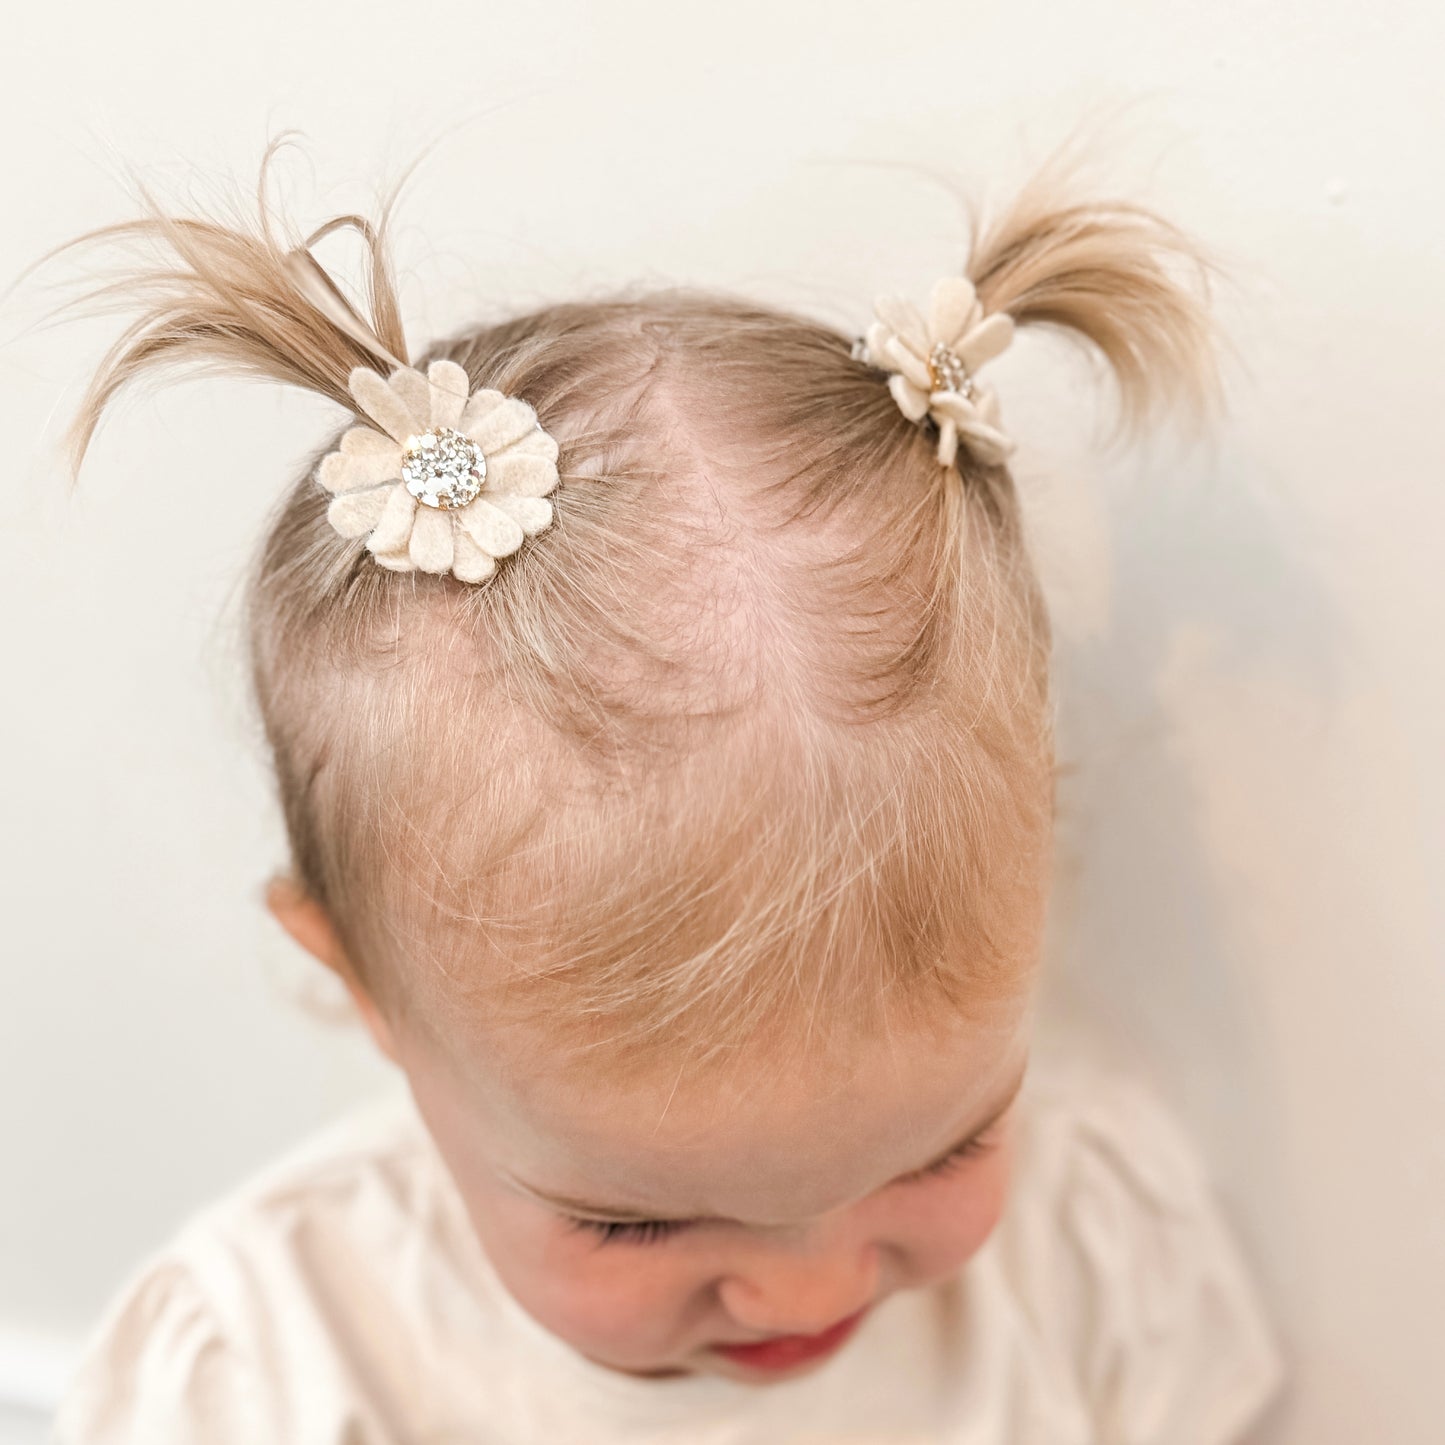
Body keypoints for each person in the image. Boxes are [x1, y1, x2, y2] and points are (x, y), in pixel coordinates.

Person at [43, 134, 1286, 1443]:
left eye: (940, 1151)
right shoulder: (277, 1369)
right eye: (632, 1218)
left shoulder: (1083, 1259)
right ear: (363, 983)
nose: (802, 1282)